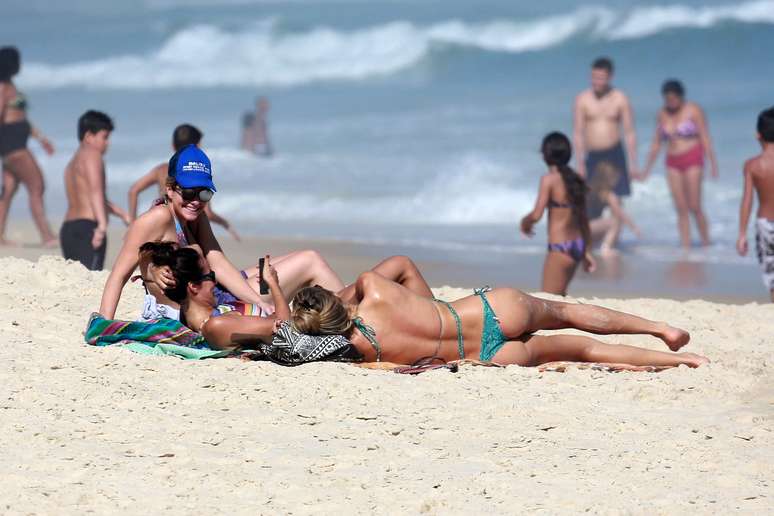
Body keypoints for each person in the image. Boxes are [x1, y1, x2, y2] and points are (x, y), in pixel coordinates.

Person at [292, 264, 708, 369]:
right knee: (567, 313)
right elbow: (401, 262)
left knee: (583, 351)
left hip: (489, 357)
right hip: (488, 310)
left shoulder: (361, 353)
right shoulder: (371, 286)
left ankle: (681, 362)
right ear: (332, 297)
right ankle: (660, 329)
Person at [98, 144, 343, 320]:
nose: (196, 201)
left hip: (220, 287)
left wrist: (255, 298)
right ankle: (350, 319)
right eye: (189, 193)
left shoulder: (195, 216)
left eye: (204, 193)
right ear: (170, 189)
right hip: (212, 303)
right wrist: (103, 326)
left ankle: (344, 313)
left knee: (275, 265)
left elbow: (217, 260)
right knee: (311, 260)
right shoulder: (156, 219)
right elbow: (118, 275)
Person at [127, 123, 240, 240]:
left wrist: (132, 225)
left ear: (172, 145)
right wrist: (225, 223)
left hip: (163, 227)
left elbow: (133, 191)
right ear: (197, 147)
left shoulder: (161, 169)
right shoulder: (197, 175)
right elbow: (208, 213)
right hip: (186, 232)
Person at [641, 80, 719, 248]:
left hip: (693, 157)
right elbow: (656, 143)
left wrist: (713, 164)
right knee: (680, 208)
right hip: (672, 161)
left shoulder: (694, 110)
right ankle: (686, 247)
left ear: (680, 96)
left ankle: (706, 244)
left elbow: (705, 137)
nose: (671, 102)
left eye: (674, 98)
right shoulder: (661, 114)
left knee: (695, 206)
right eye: (667, 99)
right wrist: (646, 170)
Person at [520, 132, 595, 295]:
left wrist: (524, 222)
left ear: (545, 155)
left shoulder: (549, 180)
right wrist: (586, 251)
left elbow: (537, 215)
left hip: (560, 248)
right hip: (577, 246)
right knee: (560, 296)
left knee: (549, 300)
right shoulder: (576, 180)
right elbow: (583, 220)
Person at [0, 46, 57, 247]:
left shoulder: (10, 85)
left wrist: (41, 139)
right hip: (13, 147)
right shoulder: (2, 87)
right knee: (37, 186)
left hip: (14, 146)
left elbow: (22, 118)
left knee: (7, 191)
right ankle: (47, 236)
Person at [61, 110, 129, 271]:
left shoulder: (71, 164)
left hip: (69, 230)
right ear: (89, 136)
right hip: (89, 230)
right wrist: (102, 227)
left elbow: (90, 195)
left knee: (76, 283)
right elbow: (96, 193)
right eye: (104, 137)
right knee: (89, 283)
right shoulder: (93, 155)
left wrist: (122, 214)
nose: (108, 143)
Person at [573, 57, 638, 205]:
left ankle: (615, 228)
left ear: (610, 77)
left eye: (600, 78)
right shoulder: (582, 99)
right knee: (592, 203)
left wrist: (633, 165)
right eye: (593, 77)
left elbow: (629, 133)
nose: (596, 81)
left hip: (614, 154)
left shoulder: (620, 99)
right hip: (593, 156)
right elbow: (578, 134)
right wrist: (580, 164)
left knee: (615, 202)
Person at [737, 106, 774, 302]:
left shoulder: (753, 165)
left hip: (765, 226)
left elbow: (747, 200)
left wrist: (742, 234)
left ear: (758, 135)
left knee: (772, 275)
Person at [587, 161, 642, 254]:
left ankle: (596, 245)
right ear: (609, 179)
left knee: (608, 222)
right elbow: (620, 214)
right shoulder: (608, 194)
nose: (617, 181)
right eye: (615, 178)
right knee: (615, 222)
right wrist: (634, 228)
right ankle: (606, 248)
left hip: (575, 229)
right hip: (585, 229)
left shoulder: (590, 188)